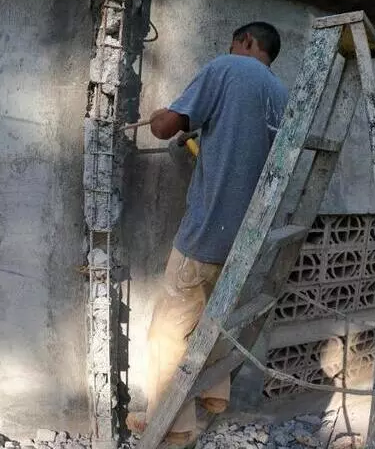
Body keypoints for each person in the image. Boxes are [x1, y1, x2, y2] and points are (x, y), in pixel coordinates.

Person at [128, 22, 289, 446]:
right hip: (247, 239)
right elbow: (244, 151)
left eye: (233, 43)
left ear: (247, 42)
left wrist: (161, 116)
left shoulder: (226, 68)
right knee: (213, 316)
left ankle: (171, 426)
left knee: (168, 332)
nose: (229, 49)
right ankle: (215, 393)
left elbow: (165, 128)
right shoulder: (281, 94)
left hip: (206, 234)